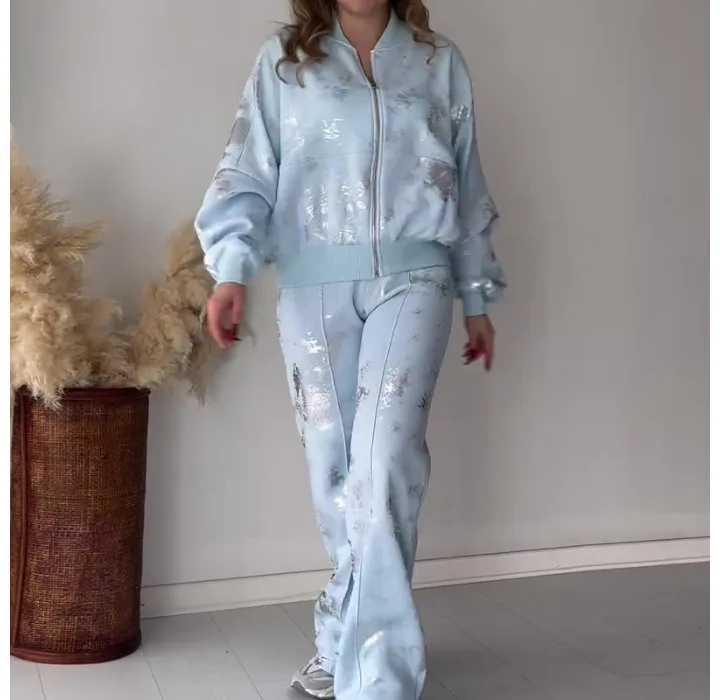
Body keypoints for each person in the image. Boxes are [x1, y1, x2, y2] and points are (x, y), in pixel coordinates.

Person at [195, 1, 505, 697]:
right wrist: (231, 271)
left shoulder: (438, 62)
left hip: (416, 278)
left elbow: (467, 182)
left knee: (385, 463)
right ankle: (342, 637)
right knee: (336, 475)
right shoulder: (285, 63)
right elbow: (246, 168)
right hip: (313, 288)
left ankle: (380, 679)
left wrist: (476, 295)